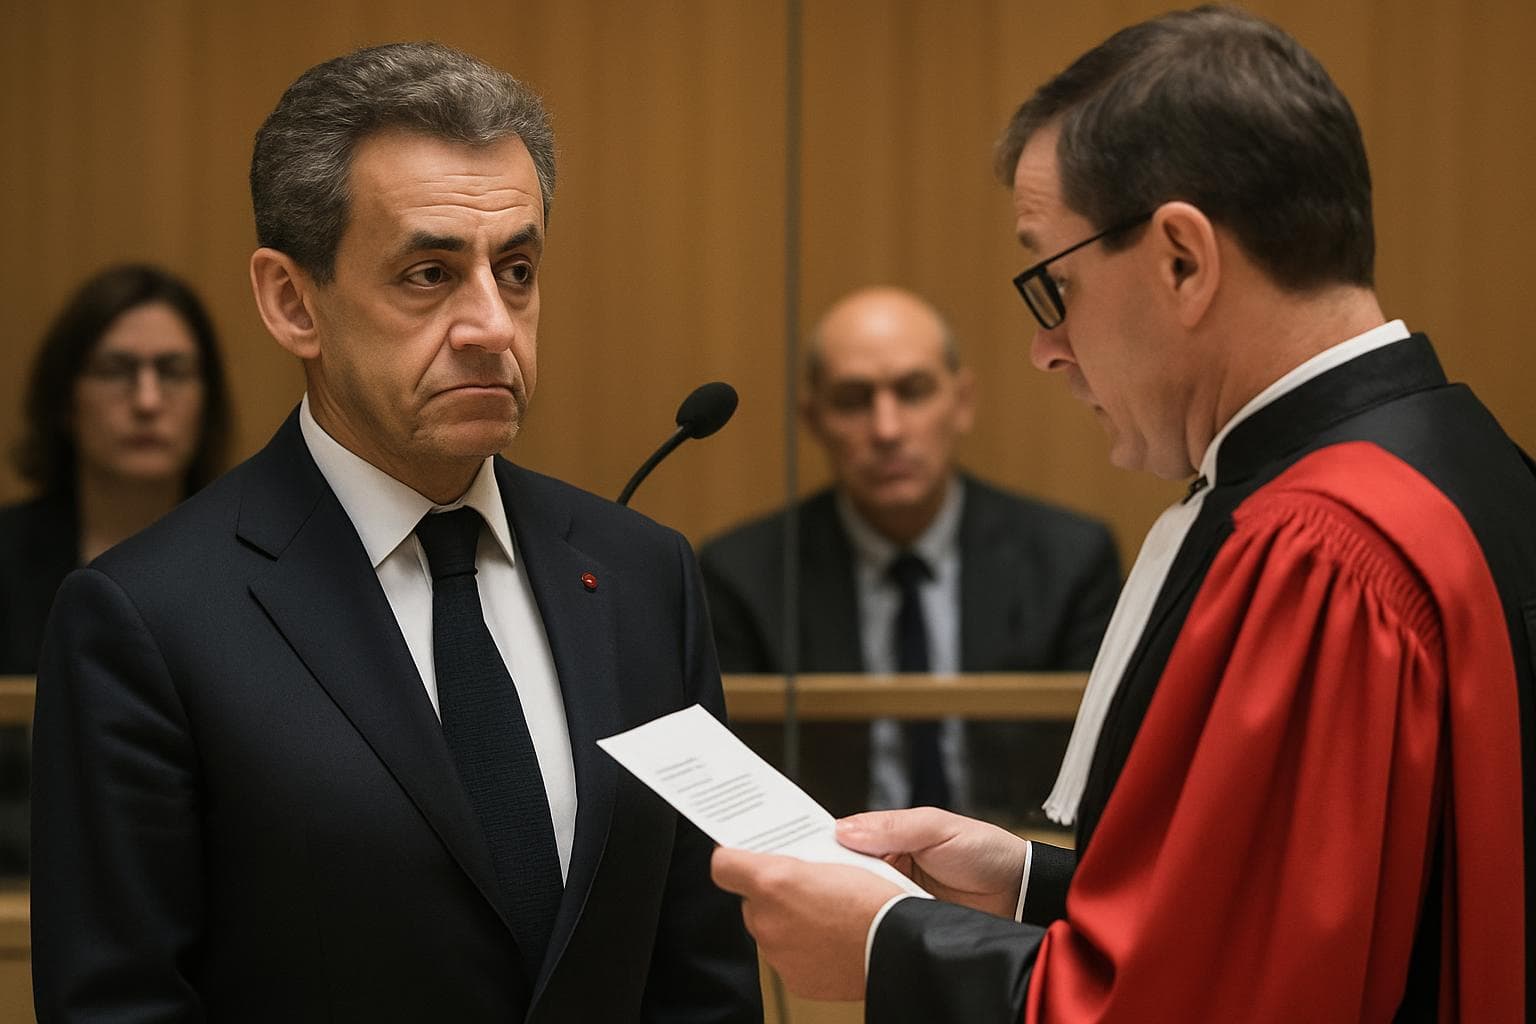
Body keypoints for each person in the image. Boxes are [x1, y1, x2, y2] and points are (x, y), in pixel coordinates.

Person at [712, 7, 1533, 1021]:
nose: (1047, 349)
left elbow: (1212, 1007)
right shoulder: (1468, 456)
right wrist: (1027, 882)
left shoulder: (1319, 549)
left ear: (1182, 259)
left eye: (1054, 284)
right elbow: (1285, 929)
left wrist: (891, 950)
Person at [30, 42, 760, 1022]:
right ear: (293, 301)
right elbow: (118, 1004)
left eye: (517, 269)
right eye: (429, 273)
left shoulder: (642, 576)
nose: (492, 325)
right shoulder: (149, 619)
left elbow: (700, 977)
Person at [700, 286, 1119, 820]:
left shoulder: (1069, 560)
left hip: (1012, 872)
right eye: (853, 399)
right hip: (827, 871)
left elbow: (1092, 778)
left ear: (961, 402)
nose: (887, 429)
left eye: (913, 391)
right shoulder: (742, 574)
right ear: (813, 420)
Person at [0, 263, 232, 876]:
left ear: (206, 401)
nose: (148, 401)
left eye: (174, 372)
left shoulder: (261, 559)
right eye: (117, 371)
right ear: (65, 399)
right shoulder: (5, 556)